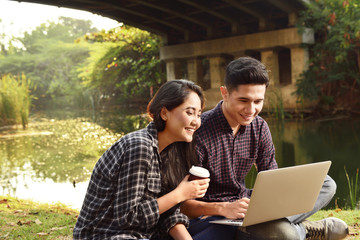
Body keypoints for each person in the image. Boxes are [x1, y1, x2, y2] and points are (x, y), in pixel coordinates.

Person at [180, 57, 349, 240]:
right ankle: (302, 230)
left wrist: (266, 207)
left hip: (247, 205)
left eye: (258, 101)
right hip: (213, 217)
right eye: (244, 100)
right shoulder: (197, 132)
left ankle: (278, 224)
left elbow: (273, 180)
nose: (251, 110)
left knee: (326, 183)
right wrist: (224, 208)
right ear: (225, 93)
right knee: (284, 235)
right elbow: (182, 204)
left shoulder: (259, 127)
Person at [73, 79, 210, 240]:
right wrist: (179, 194)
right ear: (164, 113)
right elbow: (127, 217)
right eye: (189, 112)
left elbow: (168, 215)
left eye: (199, 114)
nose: (196, 121)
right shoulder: (140, 146)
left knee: (216, 228)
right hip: (105, 235)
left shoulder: (172, 150)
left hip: (143, 235)